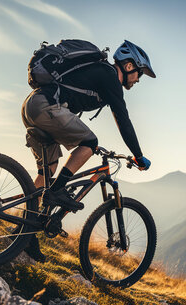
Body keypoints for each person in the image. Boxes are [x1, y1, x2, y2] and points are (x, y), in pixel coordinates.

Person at [21, 40, 155, 260]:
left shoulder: (100, 74)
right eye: (139, 73)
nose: (139, 79)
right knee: (90, 143)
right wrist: (138, 156)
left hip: (33, 105)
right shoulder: (109, 75)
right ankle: (57, 192)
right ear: (129, 66)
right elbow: (123, 119)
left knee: (48, 171)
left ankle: (24, 233)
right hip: (46, 106)